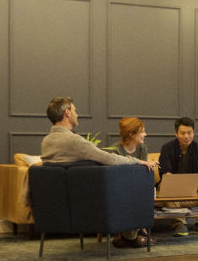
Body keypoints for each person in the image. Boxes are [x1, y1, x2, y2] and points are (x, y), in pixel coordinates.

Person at [40, 97, 156, 249]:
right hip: (90, 204)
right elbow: (108, 158)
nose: (77, 114)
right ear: (67, 113)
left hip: (59, 205)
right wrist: (137, 161)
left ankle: (129, 236)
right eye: (74, 110)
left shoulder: (46, 141)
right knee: (132, 190)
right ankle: (130, 236)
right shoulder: (74, 141)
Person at [157, 117, 198, 236]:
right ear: (176, 133)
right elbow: (165, 173)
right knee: (165, 185)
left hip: (195, 188)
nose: (186, 136)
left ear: (193, 132)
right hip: (174, 189)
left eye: (189, 133)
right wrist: (176, 182)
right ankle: (179, 224)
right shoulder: (167, 148)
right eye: (182, 133)